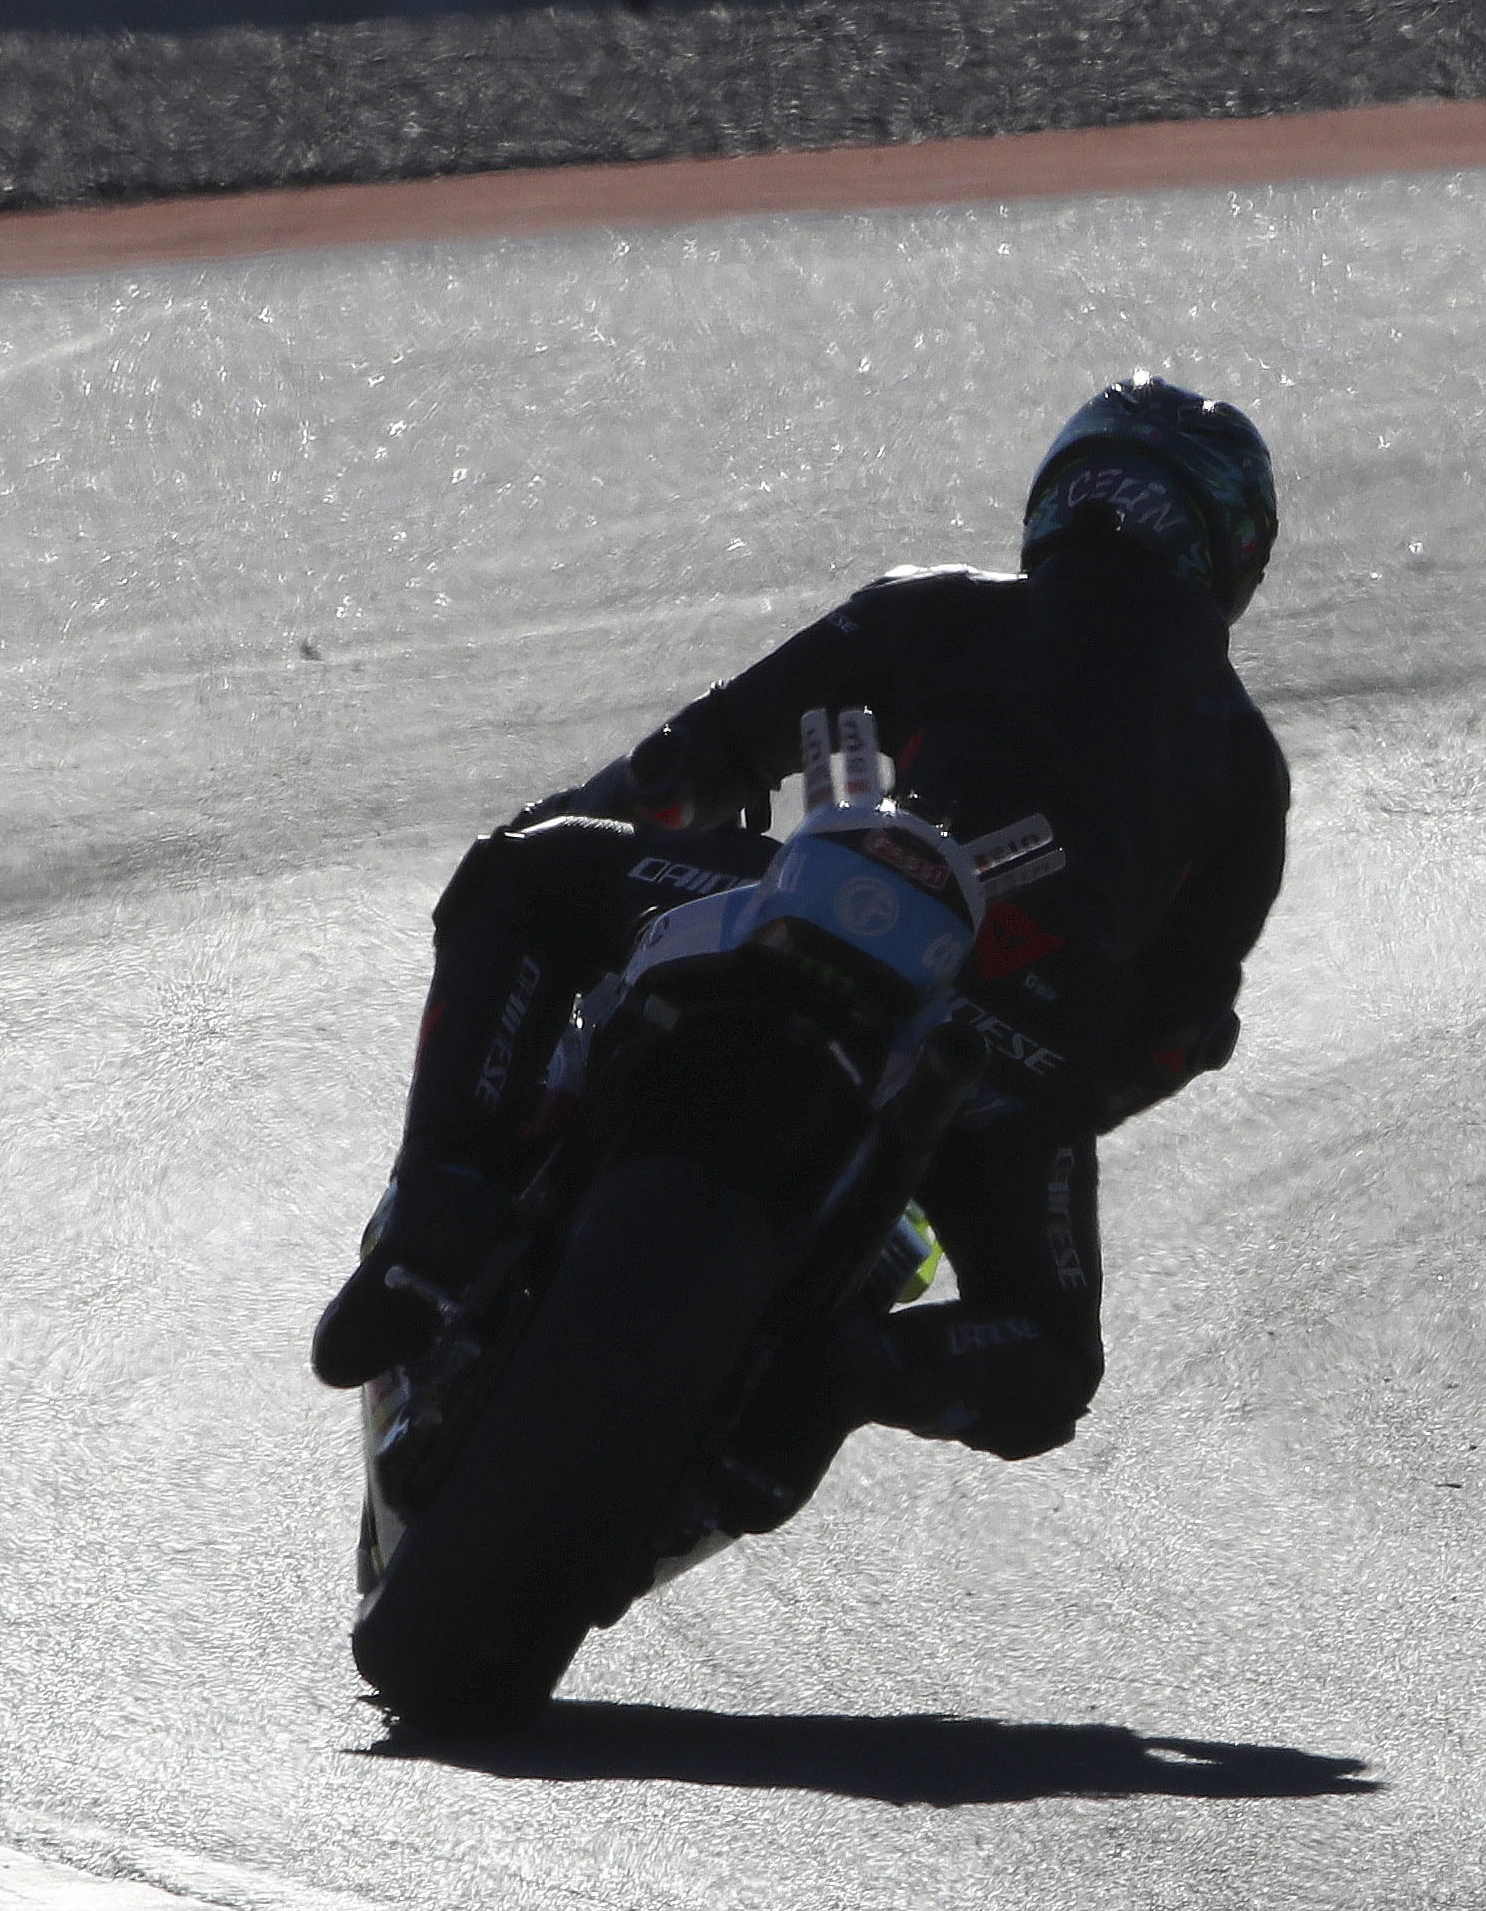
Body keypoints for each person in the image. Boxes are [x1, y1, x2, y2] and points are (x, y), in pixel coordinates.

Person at [310, 375, 1287, 1467]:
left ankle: (446, 1192)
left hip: (812, 915)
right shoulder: (1246, 765)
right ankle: (852, 1370)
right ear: (1234, 556)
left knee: (520, 878)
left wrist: (564, 825)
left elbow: (687, 763)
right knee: (1051, 1360)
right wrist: (1043, 1098)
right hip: (1002, 1058)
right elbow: (1180, 1028)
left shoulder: (941, 608)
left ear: (1056, 497)